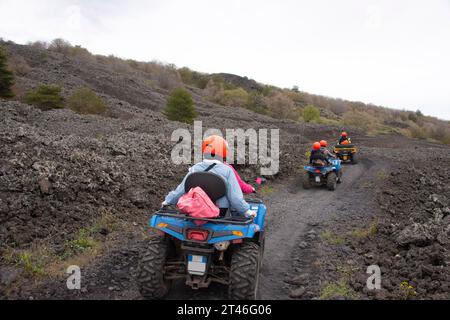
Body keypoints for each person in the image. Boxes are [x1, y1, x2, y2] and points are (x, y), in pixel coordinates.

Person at [162, 135, 255, 218]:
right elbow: (234, 197)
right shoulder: (227, 170)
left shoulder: (195, 168)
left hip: (195, 209)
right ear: (223, 151)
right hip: (220, 212)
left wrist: (168, 201)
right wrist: (246, 211)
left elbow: (181, 189)